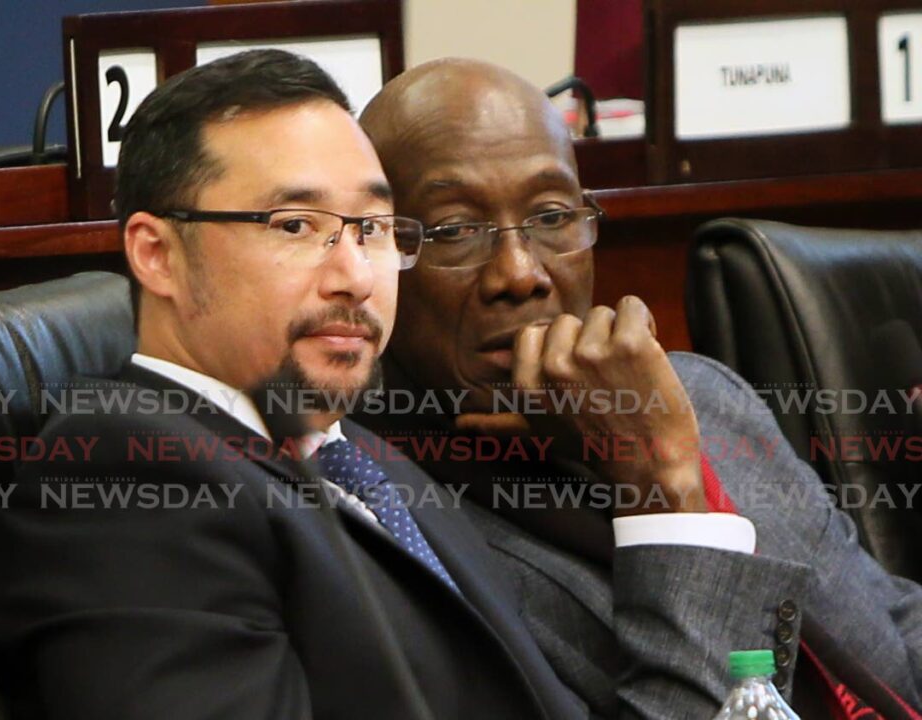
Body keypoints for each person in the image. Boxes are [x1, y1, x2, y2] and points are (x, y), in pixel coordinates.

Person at [0, 50, 735, 720]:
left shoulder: (362, 460)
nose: (355, 278)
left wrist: (664, 484)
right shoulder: (127, 485)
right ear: (158, 255)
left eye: (374, 228)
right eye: (295, 226)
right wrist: (667, 489)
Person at [355, 58, 922, 719]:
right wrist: (666, 495)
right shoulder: (386, 528)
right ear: (377, 254)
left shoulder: (701, 396)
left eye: (551, 215)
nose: (520, 273)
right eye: (456, 229)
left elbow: (895, 636)